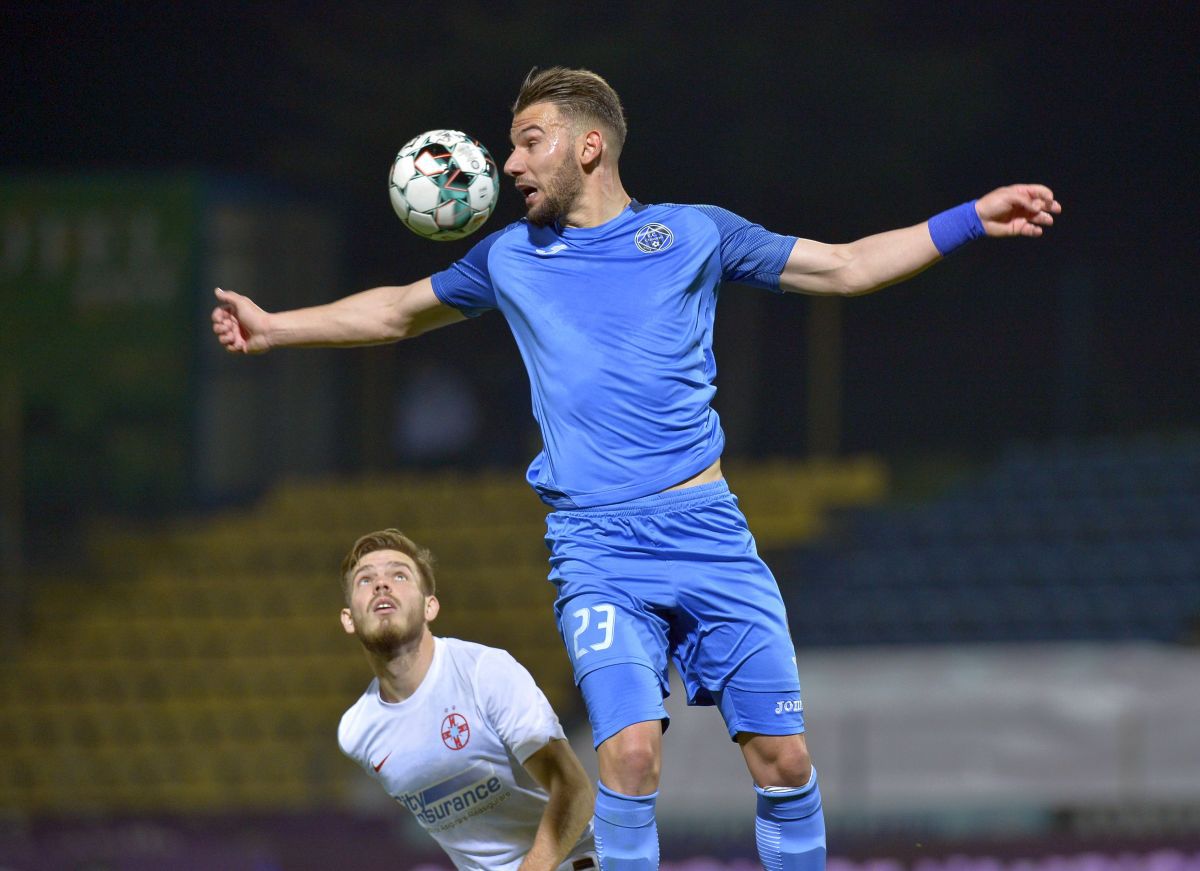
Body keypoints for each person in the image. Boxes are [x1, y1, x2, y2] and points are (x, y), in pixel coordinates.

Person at [213, 67, 1062, 870]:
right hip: (597, 547)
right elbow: (397, 312)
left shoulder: (695, 233)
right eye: (508, 146)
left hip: (709, 533)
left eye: (529, 141)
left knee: (782, 755)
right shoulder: (510, 257)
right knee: (626, 749)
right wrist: (275, 326)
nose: (508, 163)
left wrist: (969, 219)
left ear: (590, 146)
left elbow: (845, 266)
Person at [336, 528, 597, 871]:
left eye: (399, 575)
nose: (382, 585)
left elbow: (574, 791)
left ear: (431, 606)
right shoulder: (356, 732)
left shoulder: (483, 672)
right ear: (348, 619)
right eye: (365, 580)